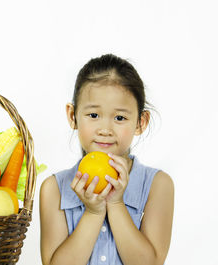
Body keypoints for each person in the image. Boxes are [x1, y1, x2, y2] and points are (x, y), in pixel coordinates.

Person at [39, 54, 174, 265]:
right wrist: (93, 213)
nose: (105, 130)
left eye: (120, 118)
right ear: (72, 115)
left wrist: (116, 202)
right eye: (93, 115)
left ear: (141, 122)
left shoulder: (158, 185)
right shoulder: (54, 189)